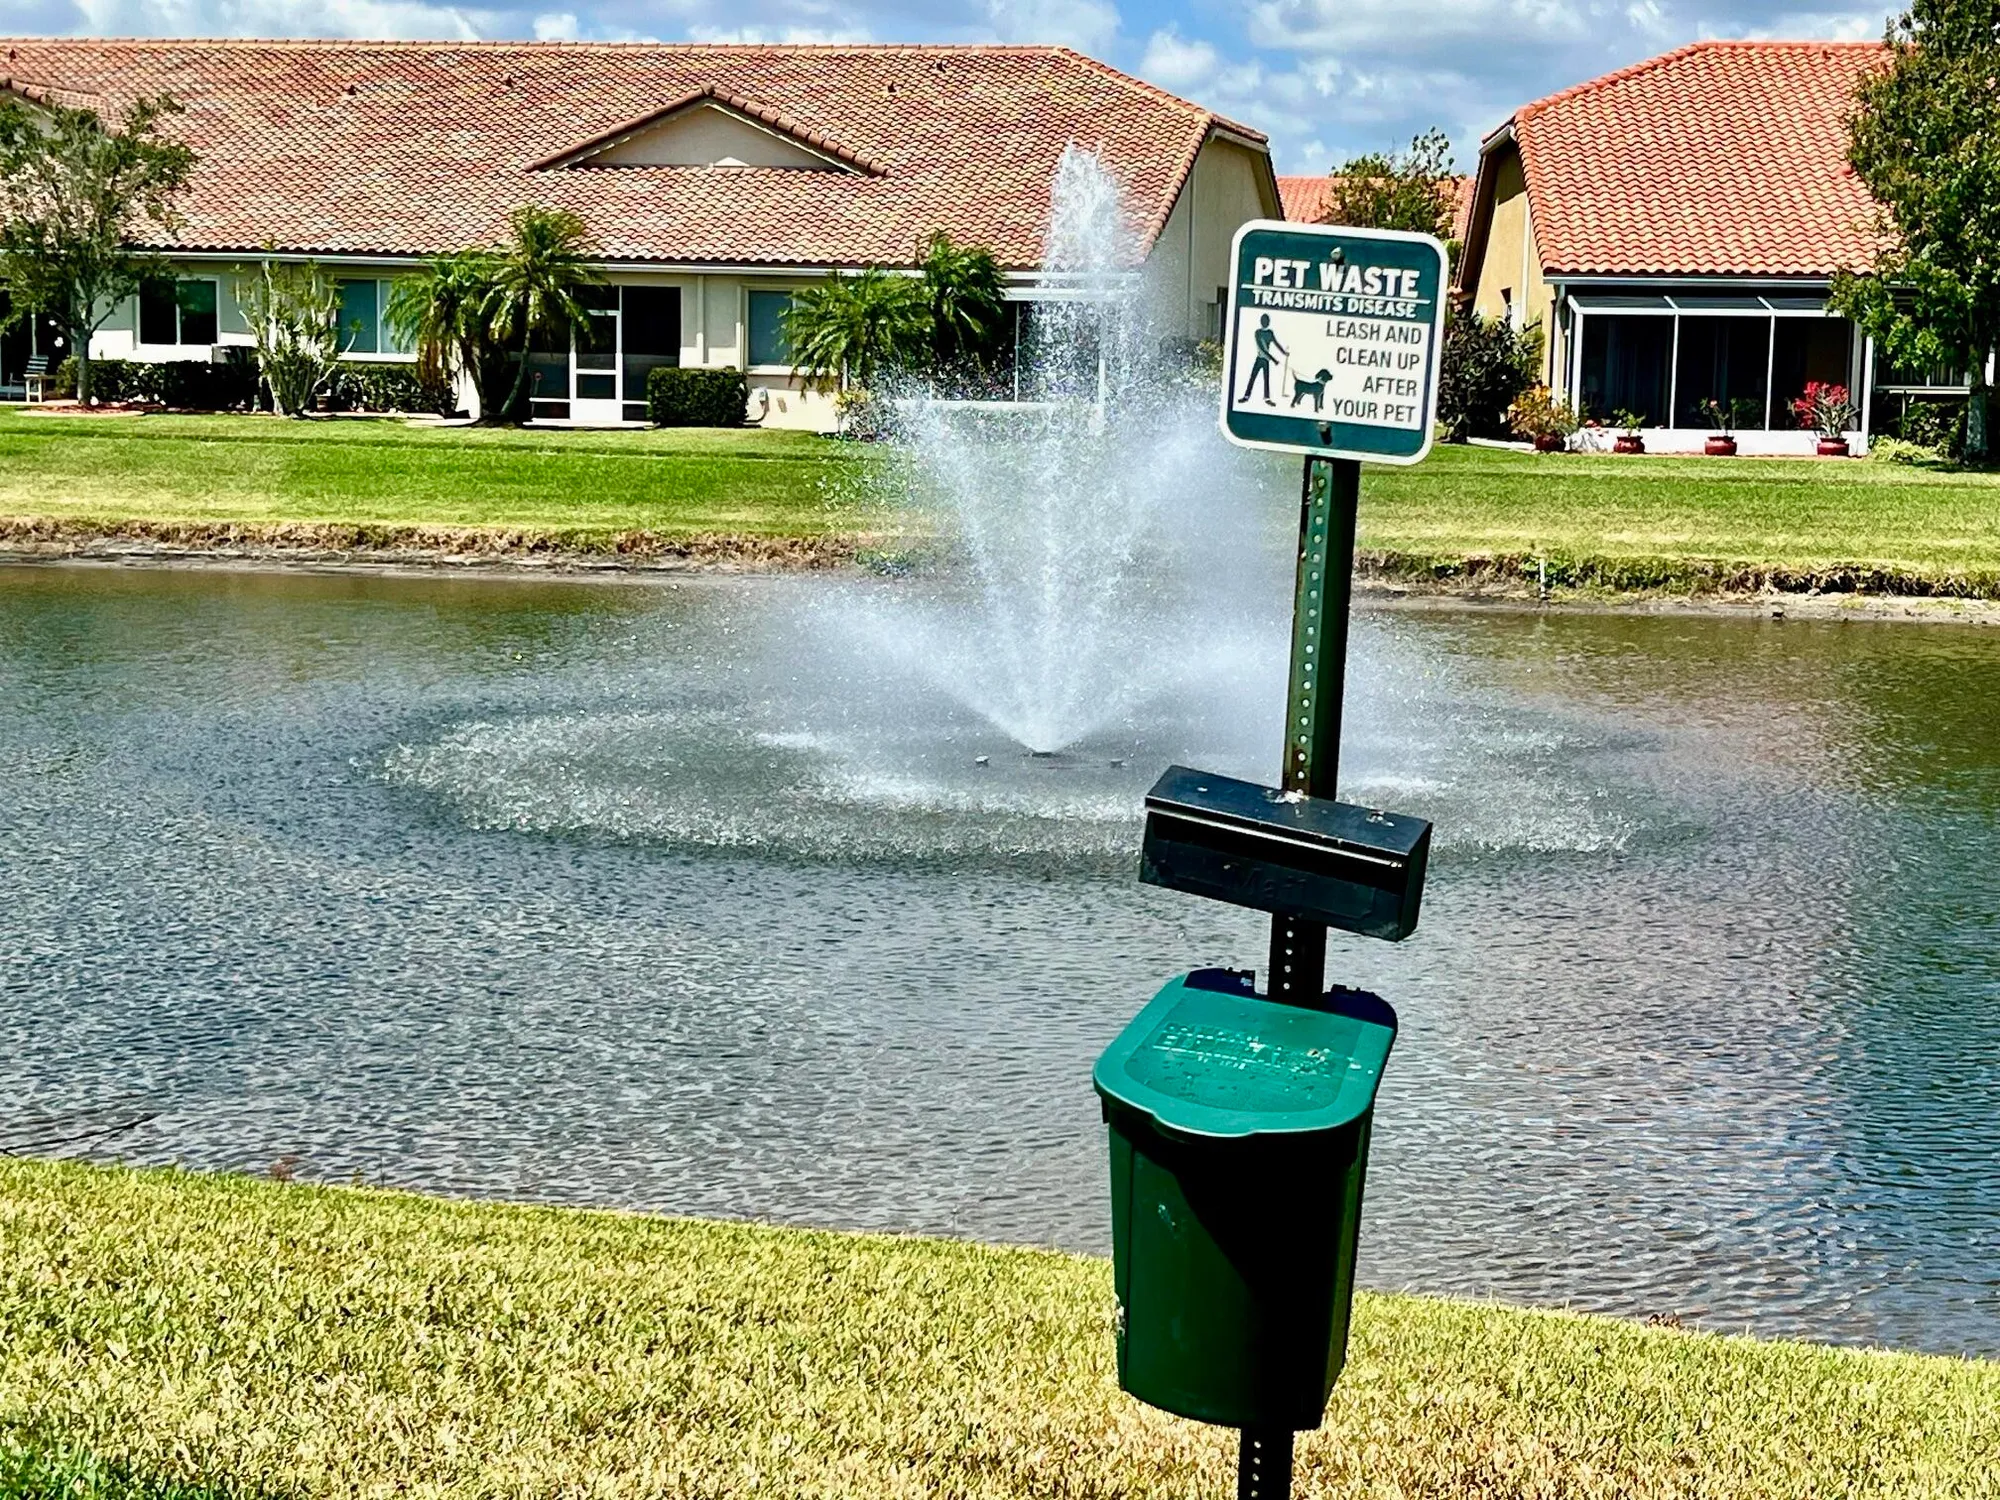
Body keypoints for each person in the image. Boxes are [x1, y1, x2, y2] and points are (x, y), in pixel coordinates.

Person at [1238, 314, 1287, 406]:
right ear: (1261, 322)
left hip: (1266, 361)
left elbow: (1276, 343)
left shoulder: (1270, 333)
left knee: (1266, 379)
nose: (1265, 323)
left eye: (1267, 321)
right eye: (1264, 321)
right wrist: (1274, 360)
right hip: (1260, 358)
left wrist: (1284, 353)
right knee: (1252, 377)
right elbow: (1262, 349)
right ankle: (1246, 396)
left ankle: (1267, 398)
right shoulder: (1258, 333)